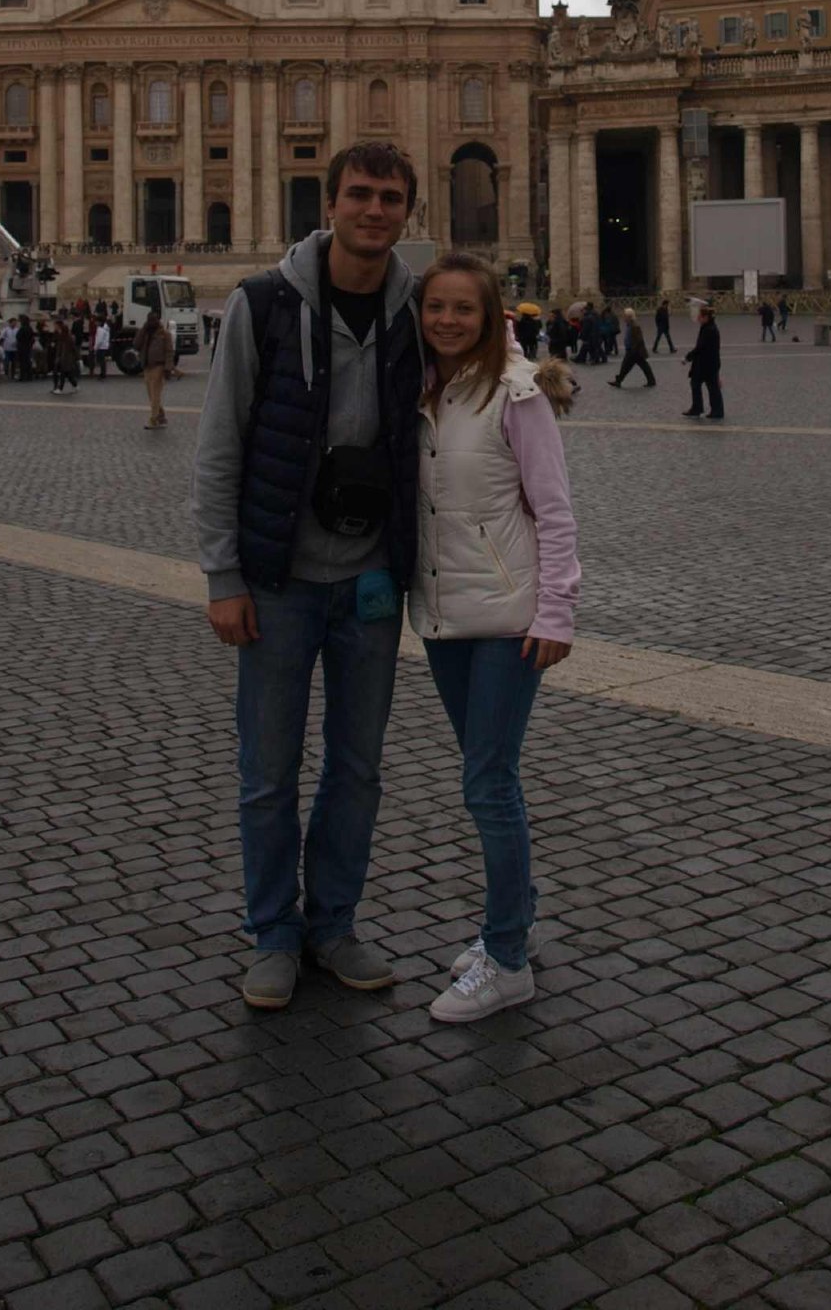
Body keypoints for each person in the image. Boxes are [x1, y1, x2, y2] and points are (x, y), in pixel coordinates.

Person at [191, 142, 424, 1012]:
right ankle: (273, 934)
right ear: (329, 204)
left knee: (358, 769)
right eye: (359, 194)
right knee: (269, 769)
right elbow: (219, 445)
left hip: (371, 583)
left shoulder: (420, 311)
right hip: (279, 580)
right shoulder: (262, 303)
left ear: (407, 212)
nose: (374, 210)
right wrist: (223, 575)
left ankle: (333, 925)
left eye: (389, 198)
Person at [412, 254, 580, 1021]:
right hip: (445, 614)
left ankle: (508, 958)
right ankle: (518, 920)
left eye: (463, 309)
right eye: (435, 307)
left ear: (489, 317)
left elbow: (555, 509)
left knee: (488, 782)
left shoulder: (519, 393)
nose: (448, 320)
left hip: (510, 618)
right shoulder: (421, 390)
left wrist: (557, 612)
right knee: (487, 774)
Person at [684, 304, 724, 419]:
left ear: (705, 317)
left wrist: (688, 357)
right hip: (707, 363)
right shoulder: (708, 327)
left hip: (707, 364)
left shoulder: (709, 330)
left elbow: (700, 347)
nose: (698, 319)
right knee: (700, 384)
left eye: (699, 317)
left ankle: (714, 410)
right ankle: (704, 409)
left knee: (711, 387)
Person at [138, 307, 173, 426]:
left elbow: (169, 352)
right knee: (151, 395)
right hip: (147, 366)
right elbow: (136, 344)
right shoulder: (146, 333)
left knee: (155, 394)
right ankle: (160, 415)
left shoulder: (165, 334)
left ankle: (153, 419)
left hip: (158, 366)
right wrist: (143, 329)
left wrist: (168, 368)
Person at [610, 308, 655, 388]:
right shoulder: (629, 325)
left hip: (634, 351)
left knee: (627, 366)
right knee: (639, 366)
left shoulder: (634, 326)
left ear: (629, 317)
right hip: (632, 350)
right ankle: (651, 380)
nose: (623, 317)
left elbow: (639, 339)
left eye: (625, 316)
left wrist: (634, 349)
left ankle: (618, 381)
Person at [51, 317, 80, 395]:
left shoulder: (68, 339)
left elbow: (73, 349)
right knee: (68, 374)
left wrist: (78, 358)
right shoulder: (62, 337)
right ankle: (75, 385)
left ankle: (60, 388)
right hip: (63, 358)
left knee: (63, 374)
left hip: (67, 359)